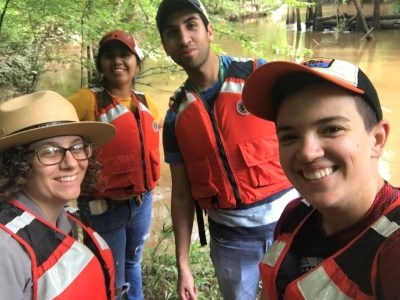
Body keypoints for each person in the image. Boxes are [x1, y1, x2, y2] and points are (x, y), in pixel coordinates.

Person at [155, 1, 299, 299]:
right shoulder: (175, 116)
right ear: (165, 46)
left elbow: (310, 137)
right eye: (172, 32)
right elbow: (181, 194)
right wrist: (184, 265)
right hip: (231, 239)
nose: (184, 38)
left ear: (210, 30)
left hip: (292, 225)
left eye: (191, 25)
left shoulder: (260, 77)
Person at [242, 57, 400, 299]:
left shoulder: (393, 251)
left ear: (377, 139)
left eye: (331, 129)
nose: (307, 152)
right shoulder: (294, 215)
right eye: (289, 136)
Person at [68, 29, 161, 300]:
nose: (117, 61)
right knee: (110, 274)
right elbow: (52, 125)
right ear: (100, 64)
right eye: (109, 56)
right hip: (103, 208)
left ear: (137, 63)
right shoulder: (87, 100)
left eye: (125, 55)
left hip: (141, 202)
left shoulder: (147, 103)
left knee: (133, 264)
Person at [0, 90, 117, 299]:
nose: (71, 163)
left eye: (78, 147)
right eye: (50, 151)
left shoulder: (69, 219)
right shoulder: (5, 249)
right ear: (14, 164)